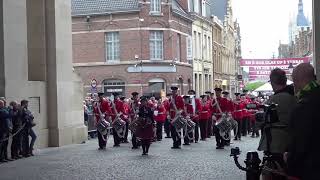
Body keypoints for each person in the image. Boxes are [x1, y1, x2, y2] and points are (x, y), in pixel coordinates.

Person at [285, 63, 320, 179]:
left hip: (310, 168)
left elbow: (300, 141)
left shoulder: (303, 105)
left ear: (297, 80)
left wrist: (290, 159)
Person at [257, 68, 297, 169]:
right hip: (293, 143)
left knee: (273, 172)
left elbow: (262, 121)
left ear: (272, 82)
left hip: (275, 144)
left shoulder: (273, 100)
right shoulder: (295, 97)